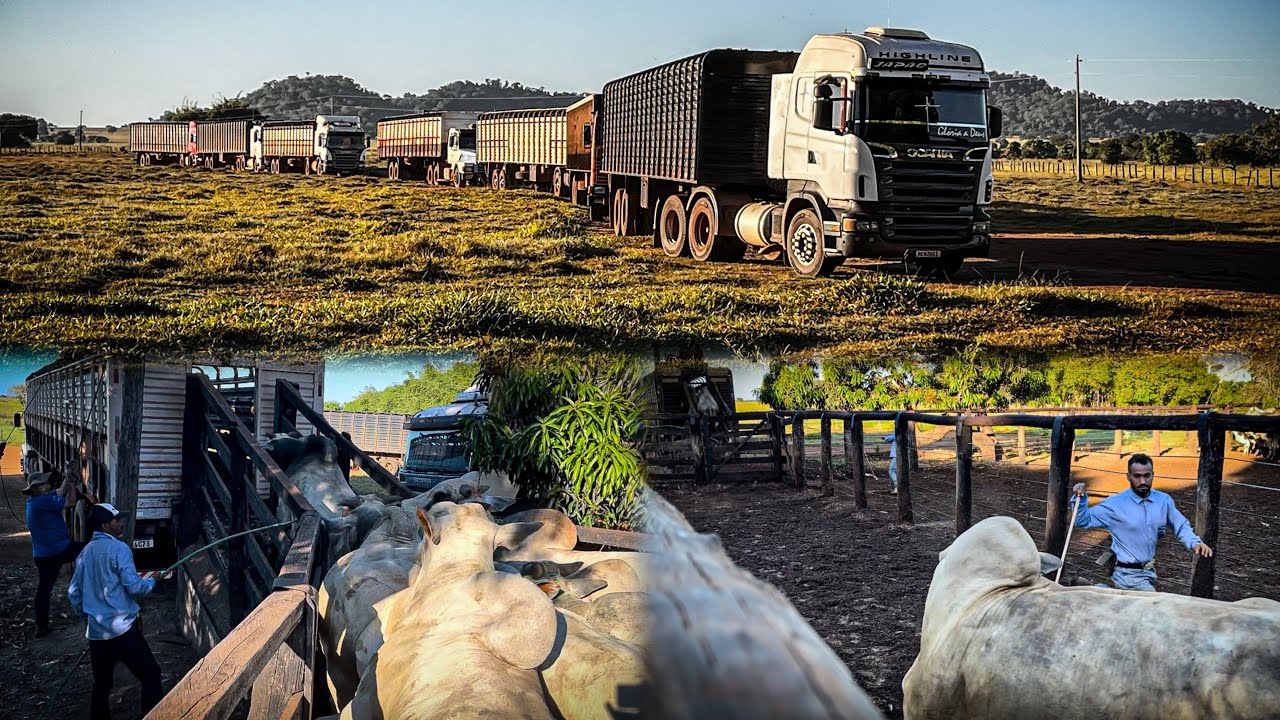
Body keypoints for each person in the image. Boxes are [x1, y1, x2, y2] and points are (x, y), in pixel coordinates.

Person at [68, 503, 167, 720]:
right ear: (105, 525)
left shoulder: (84, 553)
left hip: (97, 633)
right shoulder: (120, 549)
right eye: (116, 520)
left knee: (102, 684)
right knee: (151, 674)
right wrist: (152, 581)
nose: (120, 523)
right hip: (123, 629)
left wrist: (87, 617)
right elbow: (133, 586)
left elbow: (73, 593)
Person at [1071, 453, 1212, 592]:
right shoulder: (1115, 504)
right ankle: (1098, 592)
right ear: (1128, 477)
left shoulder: (1163, 501)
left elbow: (1180, 525)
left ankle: (1098, 591)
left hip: (1149, 571)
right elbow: (1083, 520)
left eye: (1147, 475)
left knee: (1128, 608)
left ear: (1153, 475)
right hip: (1126, 573)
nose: (1143, 481)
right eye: (1137, 476)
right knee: (1152, 605)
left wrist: (1194, 542)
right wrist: (1081, 498)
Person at [23, 469, 83, 637]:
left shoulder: (36, 500)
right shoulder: (42, 502)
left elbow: (59, 491)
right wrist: (71, 482)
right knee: (90, 548)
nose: (47, 485)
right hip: (58, 551)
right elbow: (70, 501)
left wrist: (68, 476)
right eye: (42, 484)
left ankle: (41, 626)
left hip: (43, 554)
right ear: (34, 488)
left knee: (44, 589)